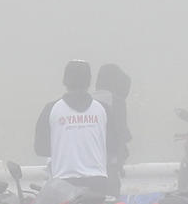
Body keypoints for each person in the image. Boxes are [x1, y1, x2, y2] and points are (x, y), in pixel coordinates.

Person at [35, 60, 112, 192]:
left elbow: (41, 149)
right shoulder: (103, 109)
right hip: (98, 182)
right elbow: (113, 146)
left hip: (63, 183)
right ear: (89, 81)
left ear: (65, 80)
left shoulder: (51, 109)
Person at [95, 63, 133, 195]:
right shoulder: (117, 102)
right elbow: (122, 135)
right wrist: (119, 164)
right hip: (109, 165)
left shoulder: (89, 100)